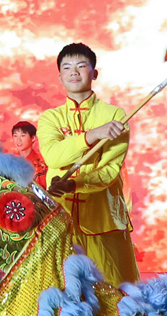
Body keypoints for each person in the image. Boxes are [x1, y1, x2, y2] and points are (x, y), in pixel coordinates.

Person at [38, 43, 139, 287]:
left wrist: (75, 185)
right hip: (60, 217)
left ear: (94, 73)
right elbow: (53, 157)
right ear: (60, 76)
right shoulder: (51, 118)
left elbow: (110, 171)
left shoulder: (115, 115)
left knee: (117, 291)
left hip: (103, 218)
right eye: (67, 67)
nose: (74, 72)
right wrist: (92, 135)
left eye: (81, 66)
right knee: (62, 292)